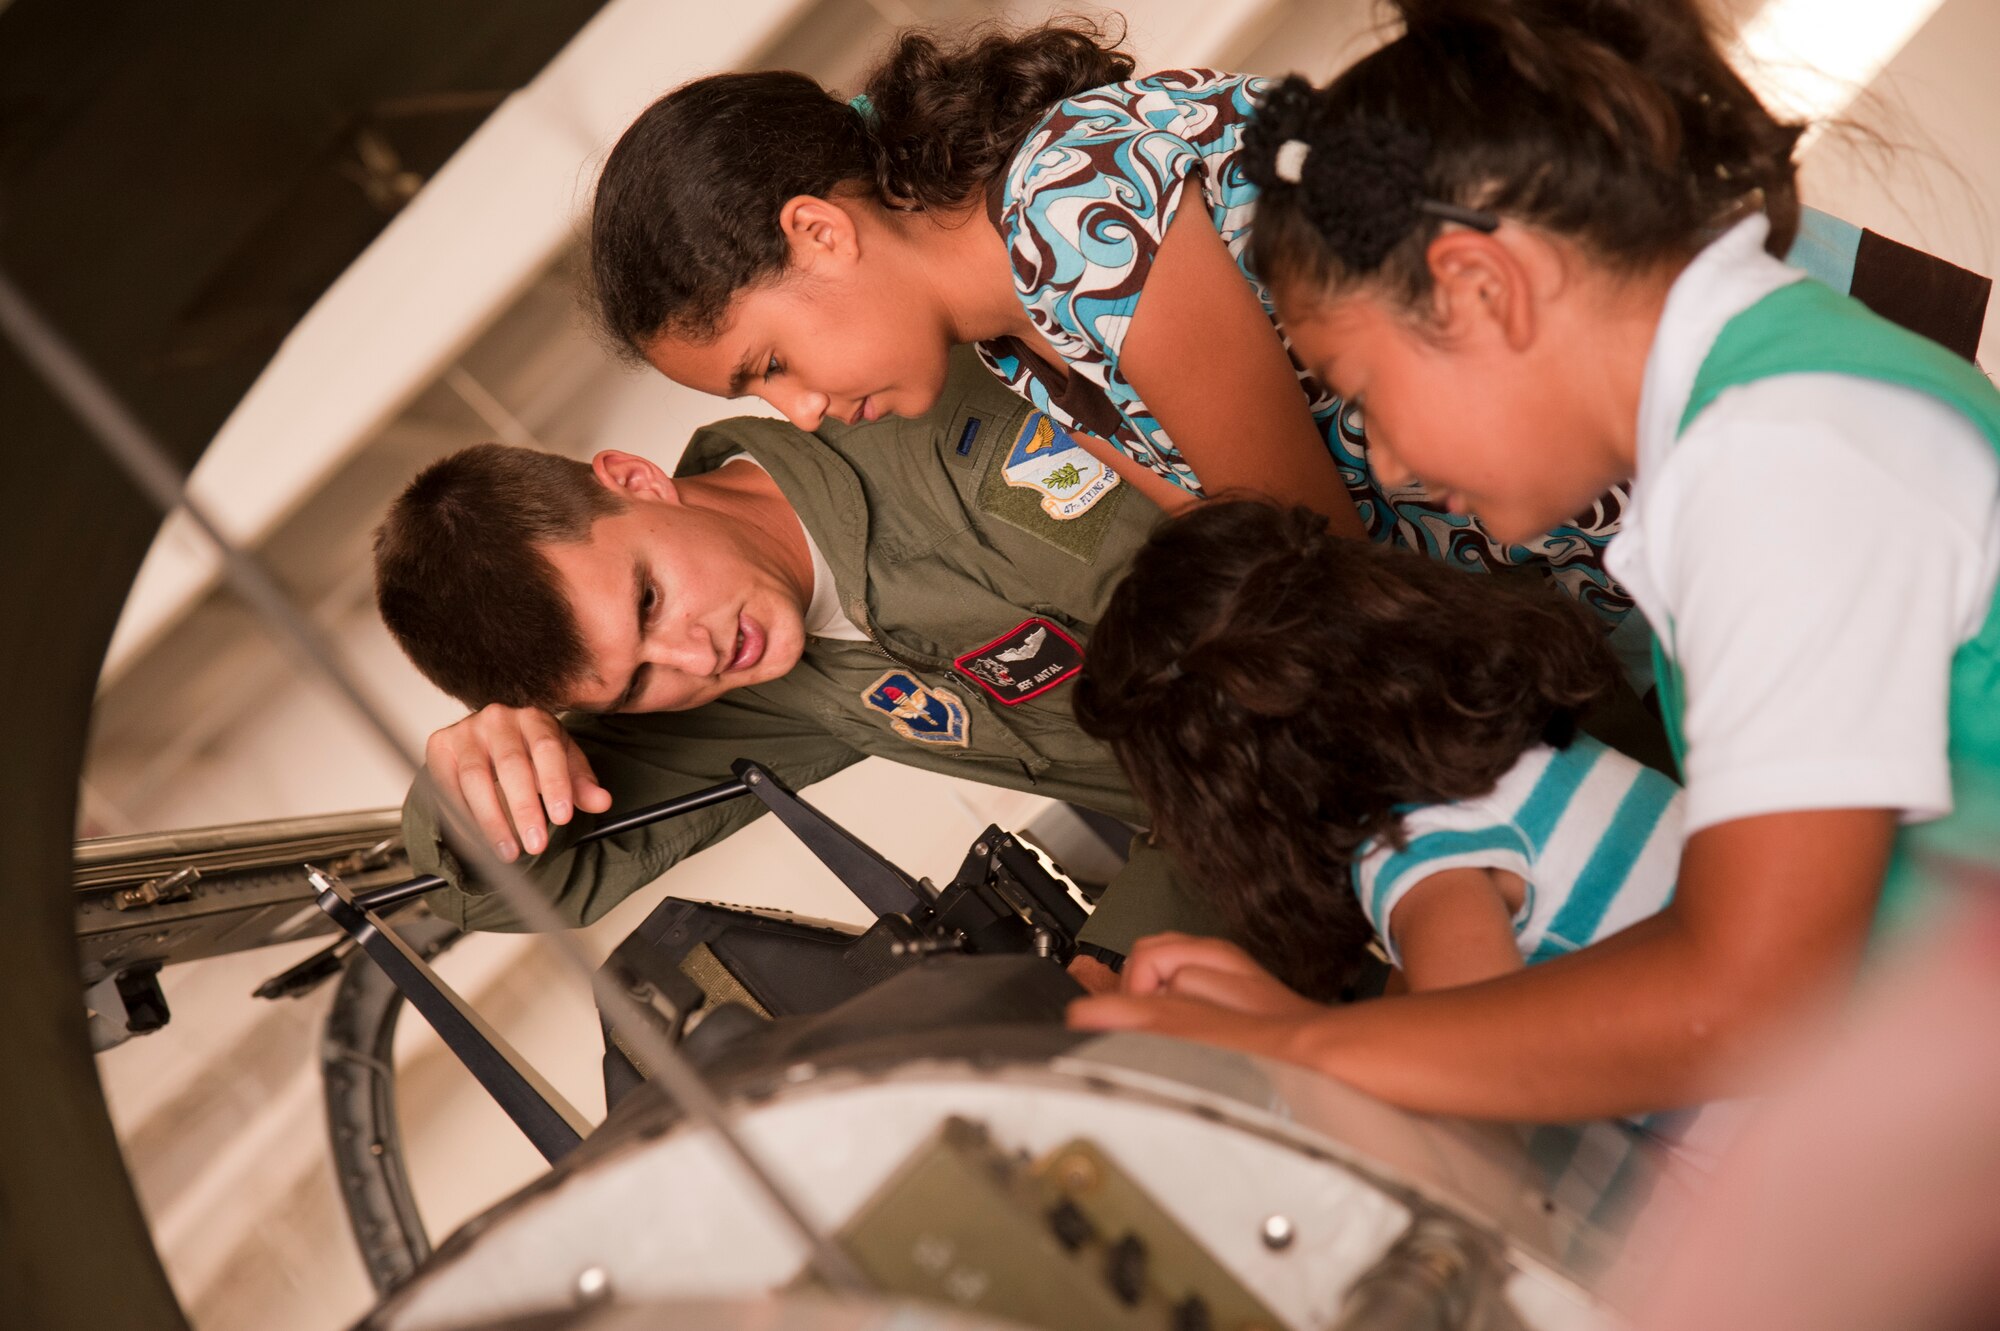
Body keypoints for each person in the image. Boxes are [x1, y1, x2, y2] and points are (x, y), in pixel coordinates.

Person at [1069, 0, 2000, 1123]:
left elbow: (1744, 989)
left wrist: (1298, 1044)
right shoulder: (1756, 416)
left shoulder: (1771, 458)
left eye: (1360, 398)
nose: (1392, 467)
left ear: (1475, 287)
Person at [586, 18, 1639, 629]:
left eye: (767, 363)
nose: (801, 414)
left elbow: (1311, 556)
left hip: (1675, 462)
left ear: (818, 232)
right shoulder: (1010, 339)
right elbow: (1232, 541)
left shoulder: (1069, 206)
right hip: (1608, 584)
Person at [375, 352, 1213, 978]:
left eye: (648, 601)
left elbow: (1270, 669)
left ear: (635, 479)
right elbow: (487, 891)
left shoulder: (930, 433)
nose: (694, 657)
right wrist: (464, 801)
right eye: (633, 681)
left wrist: (1116, 953)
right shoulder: (753, 674)